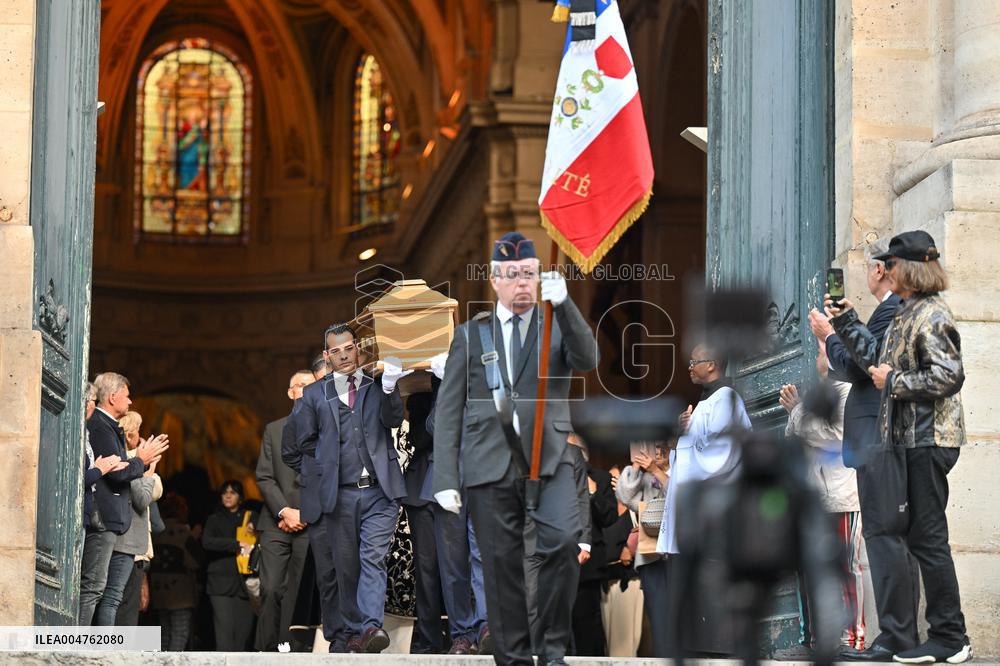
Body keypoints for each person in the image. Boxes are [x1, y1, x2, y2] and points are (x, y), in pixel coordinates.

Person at [432, 231, 600, 666]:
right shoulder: (471, 336)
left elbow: (588, 358)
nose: (522, 282)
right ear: (494, 279)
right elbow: (449, 410)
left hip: (552, 458)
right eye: (512, 275)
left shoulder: (555, 325)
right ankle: (513, 659)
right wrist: (447, 478)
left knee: (564, 543)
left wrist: (566, 305)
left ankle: (553, 646)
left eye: (529, 274)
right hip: (490, 463)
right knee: (501, 569)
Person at [829, 230, 971, 664]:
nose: (885, 271)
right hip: (908, 439)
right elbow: (875, 356)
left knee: (928, 539)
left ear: (905, 269)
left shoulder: (931, 314)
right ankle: (934, 637)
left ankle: (951, 638)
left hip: (930, 439)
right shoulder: (907, 311)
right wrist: (848, 321)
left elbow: (949, 375)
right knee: (921, 537)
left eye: (889, 265)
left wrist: (894, 381)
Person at [809, 239, 918, 662]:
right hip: (876, 437)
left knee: (884, 537)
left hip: (877, 437)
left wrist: (830, 334)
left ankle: (895, 637)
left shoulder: (891, 309)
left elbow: (859, 366)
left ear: (879, 270)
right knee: (890, 538)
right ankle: (899, 636)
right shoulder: (888, 310)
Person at [290, 323, 409, 653]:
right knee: (347, 567)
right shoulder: (315, 394)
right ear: (328, 355)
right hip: (339, 494)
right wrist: (328, 468)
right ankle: (355, 632)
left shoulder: (376, 384)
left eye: (349, 348)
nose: (344, 355)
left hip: (379, 491)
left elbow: (394, 419)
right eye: (336, 351)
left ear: (358, 348)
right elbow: (304, 441)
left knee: (373, 558)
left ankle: (370, 628)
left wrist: (390, 386)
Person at [778, 347, 864, 658]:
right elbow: (794, 434)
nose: (817, 358)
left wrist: (796, 411)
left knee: (846, 567)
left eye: (822, 351)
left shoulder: (849, 393)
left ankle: (853, 640)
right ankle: (810, 640)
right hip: (812, 497)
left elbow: (833, 434)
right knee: (804, 569)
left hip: (841, 495)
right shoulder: (815, 395)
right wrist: (797, 414)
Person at [79, 372, 168, 626]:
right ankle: (77, 648)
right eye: (127, 397)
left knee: (103, 593)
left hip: (111, 522)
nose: (130, 402)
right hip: (102, 519)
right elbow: (118, 476)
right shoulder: (99, 425)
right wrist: (142, 460)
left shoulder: (106, 425)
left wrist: (139, 460)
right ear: (113, 396)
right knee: (96, 591)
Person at [283, 354, 347, 652]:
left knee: (352, 567)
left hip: (350, 498)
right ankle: (337, 636)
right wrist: (315, 469)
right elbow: (289, 452)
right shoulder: (303, 405)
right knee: (327, 574)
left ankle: (357, 631)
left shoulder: (350, 399)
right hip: (319, 501)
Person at [255, 370, 314, 652]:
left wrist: (304, 512)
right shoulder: (274, 429)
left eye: (310, 386)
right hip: (275, 520)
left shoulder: (326, 430)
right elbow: (264, 476)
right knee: (269, 588)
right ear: (290, 393)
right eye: (299, 386)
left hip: (310, 520)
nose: (303, 390)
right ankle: (265, 650)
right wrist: (284, 511)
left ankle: (291, 649)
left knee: (299, 590)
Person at [110, 410, 164, 626]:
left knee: (119, 603)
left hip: (133, 547)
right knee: (123, 606)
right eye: (138, 432)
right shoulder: (128, 463)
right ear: (130, 436)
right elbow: (145, 497)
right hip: (129, 546)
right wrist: (148, 468)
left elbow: (157, 490)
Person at [616, 442, 669, 657]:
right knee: (657, 613)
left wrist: (658, 471)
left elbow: (680, 497)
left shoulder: (684, 466)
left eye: (659, 447)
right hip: (651, 554)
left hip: (677, 554)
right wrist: (636, 467)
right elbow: (626, 497)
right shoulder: (645, 478)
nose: (655, 452)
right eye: (652, 447)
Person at [571, 442, 617, 656]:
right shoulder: (554, 476)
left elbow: (609, 518)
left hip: (588, 566)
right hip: (557, 560)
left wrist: (593, 492)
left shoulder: (600, 477)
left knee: (587, 629)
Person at [202, 480, 257, 651]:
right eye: (225, 492)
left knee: (243, 635)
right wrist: (237, 544)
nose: (228, 495)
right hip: (220, 583)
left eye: (233, 492)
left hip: (245, 582)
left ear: (240, 497)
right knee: (224, 635)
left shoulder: (251, 517)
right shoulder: (214, 519)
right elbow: (207, 542)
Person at [150, 493, 203, 651]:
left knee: (164, 632)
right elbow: (198, 561)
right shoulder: (182, 533)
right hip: (180, 592)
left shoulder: (156, 531)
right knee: (179, 633)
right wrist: (194, 536)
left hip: (158, 588)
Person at [601, 464, 643, 658]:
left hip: (630, 581)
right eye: (611, 479)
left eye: (618, 479)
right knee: (608, 644)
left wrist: (630, 548)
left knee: (627, 642)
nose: (614, 483)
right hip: (606, 583)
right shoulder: (601, 511)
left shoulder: (634, 509)